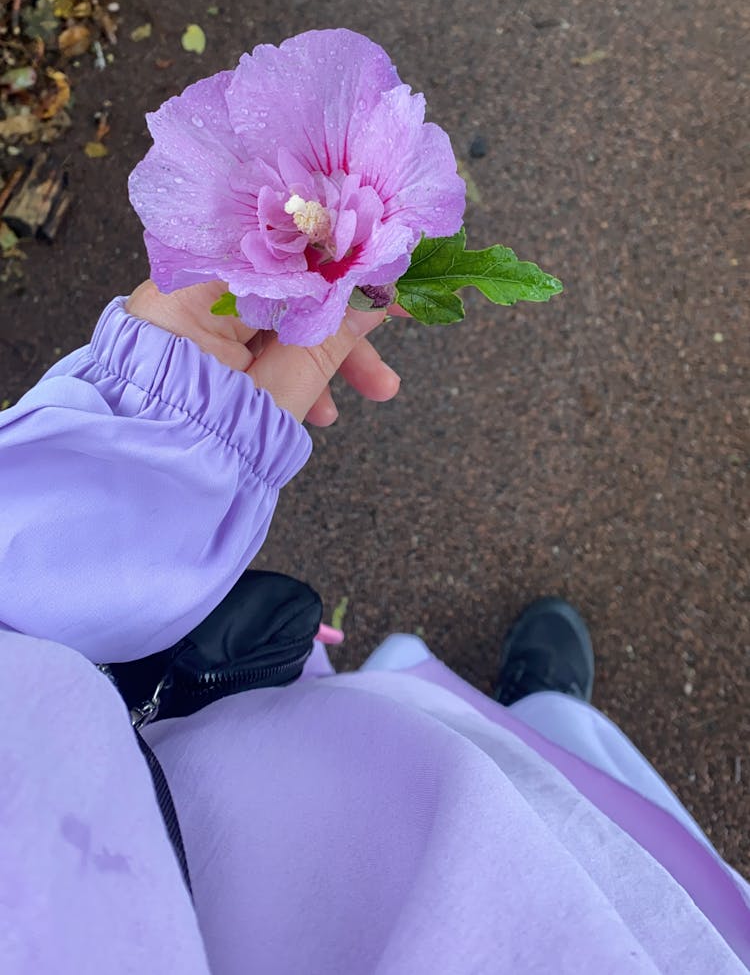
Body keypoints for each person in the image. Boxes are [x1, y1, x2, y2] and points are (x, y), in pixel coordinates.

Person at [1, 281, 748, 975]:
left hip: (216, 748)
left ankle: (528, 722)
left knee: (442, 745)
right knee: (548, 797)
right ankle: (553, 716)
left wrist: (153, 435)